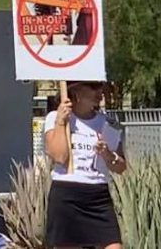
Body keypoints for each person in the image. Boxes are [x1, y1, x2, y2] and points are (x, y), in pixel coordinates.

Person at [44, 81, 126, 249]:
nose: (100, 92)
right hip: (67, 194)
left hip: (98, 195)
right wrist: (61, 122)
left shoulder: (107, 123)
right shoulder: (55, 117)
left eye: (100, 86)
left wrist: (107, 154)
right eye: (93, 86)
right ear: (76, 91)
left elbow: (121, 167)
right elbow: (59, 156)